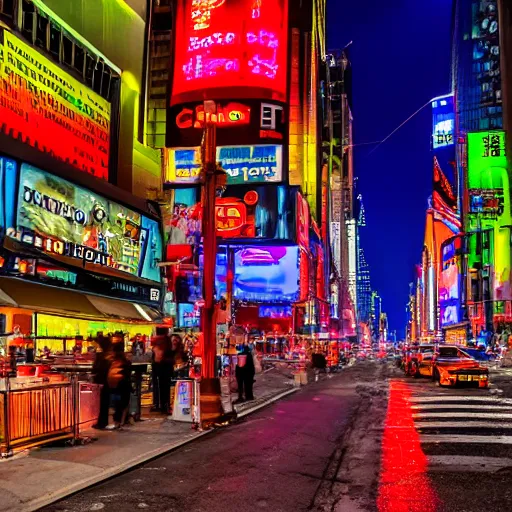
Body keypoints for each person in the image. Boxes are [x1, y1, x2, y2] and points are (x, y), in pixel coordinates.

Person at [106, 342, 132, 430]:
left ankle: (117, 422)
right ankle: (121, 422)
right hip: (123, 386)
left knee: (116, 405)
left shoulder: (112, 362)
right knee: (122, 405)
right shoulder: (126, 362)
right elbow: (127, 374)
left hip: (115, 386)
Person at [92, 336, 113, 429]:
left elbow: (95, 369)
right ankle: (103, 422)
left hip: (101, 381)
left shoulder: (100, 356)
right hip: (108, 381)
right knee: (105, 402)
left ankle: (101, 422)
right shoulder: (110, 356)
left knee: (102, 403)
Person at [152, 335, 175, 414]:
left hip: (160, 370)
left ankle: (162, 406)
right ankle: (166, 405)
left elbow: (157, 359)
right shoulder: (168, 349)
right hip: (166, 371)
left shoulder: (158, 348)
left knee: (161, 389)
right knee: (165, 389)